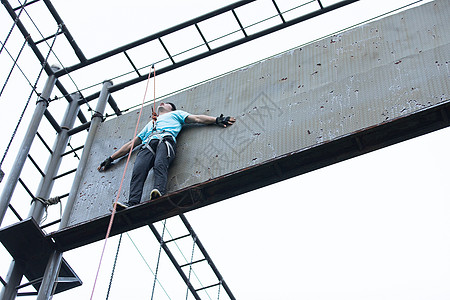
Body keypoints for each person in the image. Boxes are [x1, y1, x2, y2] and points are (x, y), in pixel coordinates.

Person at [98, 102, 235, 208]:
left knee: (160, 164)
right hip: (148, 145)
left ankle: (158, 191)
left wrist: (217, 120)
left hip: (165, 140)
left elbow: (197, 118)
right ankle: (132, 202)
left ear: (172, 109)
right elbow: (131, 144)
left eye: (166, 103)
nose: (162, 103)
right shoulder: (150, 124)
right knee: (138, 171)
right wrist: (111, 158)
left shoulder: (177, 114)